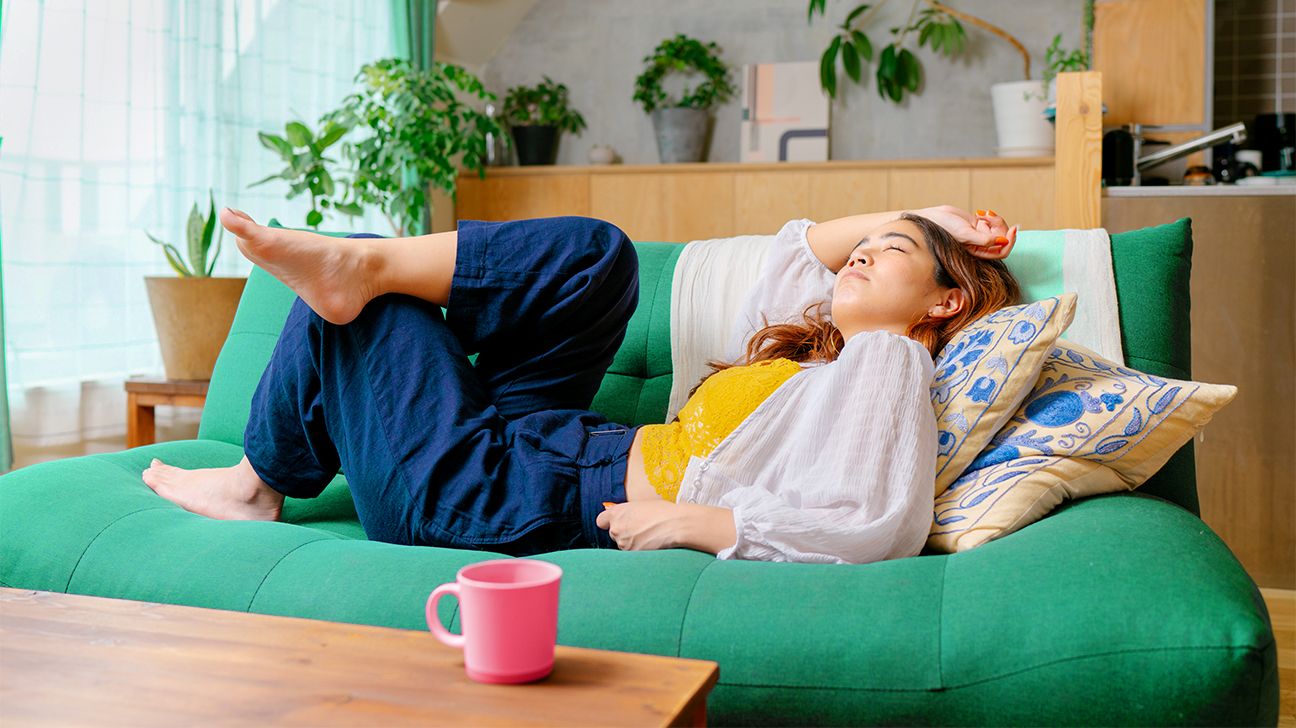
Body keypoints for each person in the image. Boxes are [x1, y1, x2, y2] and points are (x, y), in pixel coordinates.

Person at [142, 205, 1020, 563]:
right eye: (868, 248)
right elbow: (802, 247)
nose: (863, 253)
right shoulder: (822, 349)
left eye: (893, 254)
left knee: (360, 312)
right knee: (597, 257)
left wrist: (710, 522)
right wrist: (930, 219)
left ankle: (259, 482)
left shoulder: (889, 361)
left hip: (505, 492)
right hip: (545, 437)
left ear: (945, 300)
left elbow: (880, 520)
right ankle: (365, 264)